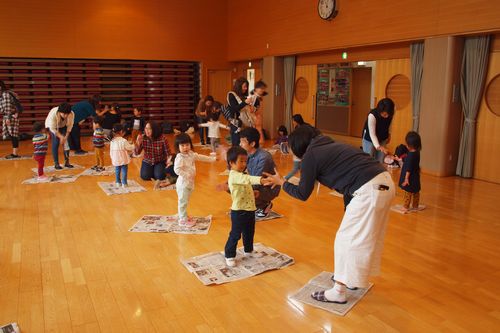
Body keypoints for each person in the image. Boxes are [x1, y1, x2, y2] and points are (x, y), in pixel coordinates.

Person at [262, 125, 395, 304]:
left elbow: (302, 194)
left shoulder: (311, 155)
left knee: (345, 239)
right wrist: (348, 210)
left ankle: (339, 291)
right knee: (363, 238)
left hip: (369, 190)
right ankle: (352, 281)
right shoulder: (331, 146)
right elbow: (349, 179)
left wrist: (281, 182)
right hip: (385, 183)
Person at [224, 146, 265, 267]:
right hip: (239, 211)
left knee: (249, 232)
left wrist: (253, 192)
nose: (244, 164)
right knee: (236, 234)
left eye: (245, 161)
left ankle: (248, 250)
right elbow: (246, 180)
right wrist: (261, 180)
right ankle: (229, 254)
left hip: (250, 209)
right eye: (240, 161)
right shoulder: (234, 175)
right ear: (231, 163)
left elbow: (245, 185)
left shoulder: (242, 173)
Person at [173, 133, 216, 226]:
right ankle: (182, 219)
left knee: (185, 200)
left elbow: (200, 157)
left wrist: (212, 159)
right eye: (182, 145)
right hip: (183, 184)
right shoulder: (179, 157)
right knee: (182, 201)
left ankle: (182, 214)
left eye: (187, 145)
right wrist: (186, 175)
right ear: (178, 147)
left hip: (189, 183)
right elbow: (177, 169)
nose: (185, 147)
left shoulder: (191, 154)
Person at [239, 127, 280, 218]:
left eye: (243, 141)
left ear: (252, 143)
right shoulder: (248, 154)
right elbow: (240, 170)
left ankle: (264, 205)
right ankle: (255, 205)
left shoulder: (263, 157)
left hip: (269, 188)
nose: (240, 144)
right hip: (258, 183)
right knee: (231, 184)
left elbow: (258, 180)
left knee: (243, 189)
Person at [362, 98, 395, 162]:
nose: (387, 116)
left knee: (380, 160)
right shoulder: (372, 115)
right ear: (380, 111)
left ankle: (377, 171)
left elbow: (390, 124)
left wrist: (389, 134)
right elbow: (372, 134)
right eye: (384, 114)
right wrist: (378, 146)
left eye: (388, 114)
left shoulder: (390, 113)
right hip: (369, 138)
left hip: (382, 136)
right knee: (368, 159)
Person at [398, 131, 422, 213]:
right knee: (416, 191)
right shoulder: (416, 152)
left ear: (410, 145)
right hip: (415, 175)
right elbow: (408, 159)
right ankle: (415, 206)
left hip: (410, 176)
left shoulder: (411, 154)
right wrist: (401, 159)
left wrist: (406, 178)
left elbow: (409, 168)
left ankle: (405, 207)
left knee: (408, 192)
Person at [45, 102, 75, 169]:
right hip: (54, 127)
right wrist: (61, 137)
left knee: (66, 144)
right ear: (59, 112)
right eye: (64, 114)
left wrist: (65, 137)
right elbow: (52, 128)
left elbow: (70, 126)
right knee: (56, 143)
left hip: (64, 126)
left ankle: (67, 162)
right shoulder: (53, 114)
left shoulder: (71, 114)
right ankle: (56, 163)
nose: (66, 116)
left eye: (67, 114)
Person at [227, 77, 253, 146]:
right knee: (237, 144)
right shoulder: (231, 95)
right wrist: (245, 102)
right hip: (236, 123)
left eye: (247, 86)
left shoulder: (243, 96)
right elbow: (234, 109)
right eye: (244, 86)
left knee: (245, 144)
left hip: (245, 123)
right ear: (239, 86)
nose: (246, 88)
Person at [110, 124, 135, 188]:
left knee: (117, 170)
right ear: (121, 131)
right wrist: (134, 145)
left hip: (115, 159)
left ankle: (118, 182)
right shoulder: (123, 141)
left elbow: (111, 151)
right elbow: (129, 148)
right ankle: (124, 183)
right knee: (124, 170)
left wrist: (112, 158)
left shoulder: (112, 141)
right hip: (123, 159)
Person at [0, 81, 21, 159]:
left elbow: (8, 107)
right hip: (9, 116)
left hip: (10, 116)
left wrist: (8, 118)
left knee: (13, 135)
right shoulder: (5, 94)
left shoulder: (5, 94)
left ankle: (15, 154)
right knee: (12, 134)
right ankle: (14, 153)